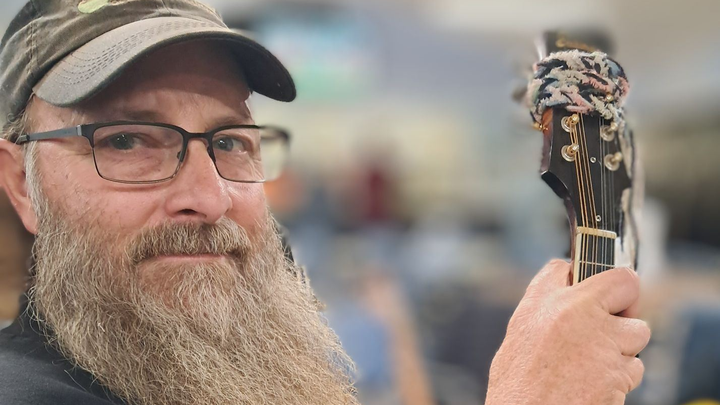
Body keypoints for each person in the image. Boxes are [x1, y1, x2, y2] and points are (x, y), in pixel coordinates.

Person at [0, 1, 650, 404]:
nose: (210, 197)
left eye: (229, 141)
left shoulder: (239, 365)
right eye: (126, 140)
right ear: (22, 183)